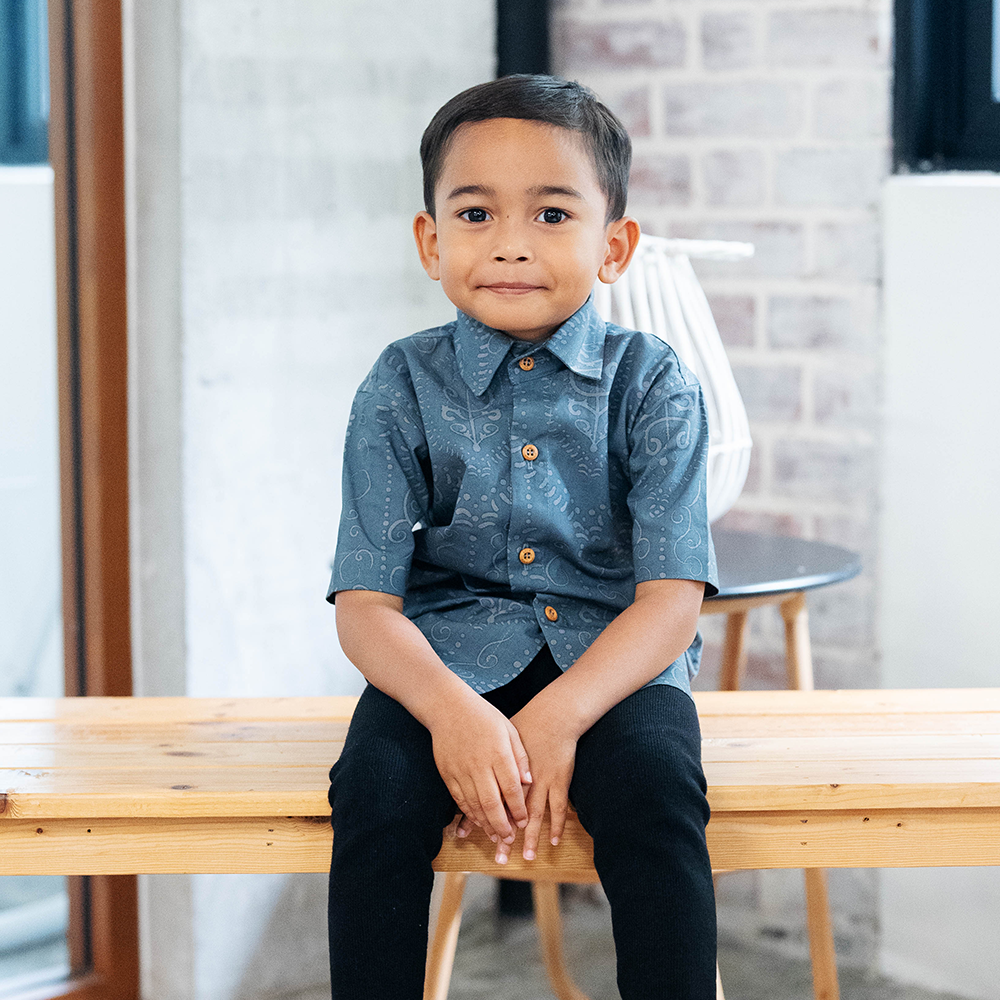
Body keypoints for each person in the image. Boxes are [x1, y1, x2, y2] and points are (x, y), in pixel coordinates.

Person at [326, 74, 719, 1000]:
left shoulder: (654, 384)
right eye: (474, 213)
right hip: (443, 664)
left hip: (616, 663)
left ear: (614, 245)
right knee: (374, 794)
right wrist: (455, 716)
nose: (509, 243)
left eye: (551, 213)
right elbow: (365, 605)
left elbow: (671, 602)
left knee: (659, 789)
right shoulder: (398, 385)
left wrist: (561, 714)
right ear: (430, 240)